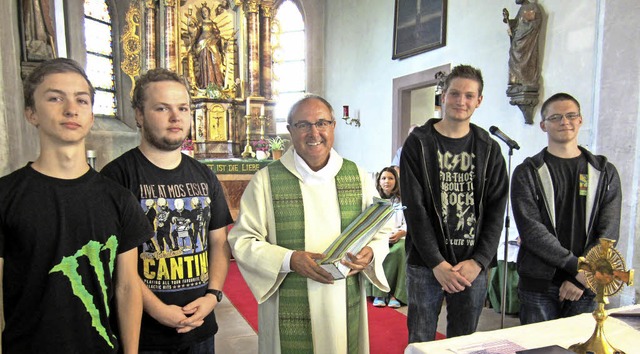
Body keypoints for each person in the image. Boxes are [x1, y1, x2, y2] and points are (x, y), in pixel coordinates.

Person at [0, 58, 152, 353]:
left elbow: (127, 287)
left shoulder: (119, 199)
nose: (71, 109)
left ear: (91, 115)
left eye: (81, 100)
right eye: (55, 98)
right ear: (31, 113)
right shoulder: (6, 195)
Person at [228, 94, 390, 353]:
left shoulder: (357, 176)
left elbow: (380, 229)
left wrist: (370, 254)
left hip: (343, 297)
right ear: (290, 131)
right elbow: (242, 240)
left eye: (321, 123)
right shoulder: (266, 181)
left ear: (333, 126)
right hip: (288, 297)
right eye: (303, 125)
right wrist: (289, 260)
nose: (314, 132)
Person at [101, 68, 233, 353]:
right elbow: (113, 262)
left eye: (182, 108)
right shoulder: (117, 177)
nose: (176, 118)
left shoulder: (205, 175)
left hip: (199, 326)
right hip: (144, 332)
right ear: (139, 114)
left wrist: (212, 296)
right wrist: (158, 309)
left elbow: (219, 242)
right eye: (162, 108)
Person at [400, 64, 508, 342]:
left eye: (469, 96)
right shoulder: (419, 143)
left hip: (471, 264)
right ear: (443, 96)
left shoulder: (489, 148)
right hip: (426, 264)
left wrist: (480, 261)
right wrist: (437, 262)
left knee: (464, 342)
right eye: (455, 93)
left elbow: (497, 209)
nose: (462, 101)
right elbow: (415, 208)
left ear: (479, 101)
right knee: (421, 340)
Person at [511, 93, 622, 325]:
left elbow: (608, 232)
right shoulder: (528, 172)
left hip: (586, 285)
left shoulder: (604, 172)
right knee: (538, 349)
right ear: (543, 125)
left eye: (571, 115)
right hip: (539, 283)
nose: (565, 122)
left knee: (580, 348)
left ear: (580, 120)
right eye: (556, 117)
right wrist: (577, 267)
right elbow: (532, 231)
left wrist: (583, 278)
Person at [367, 166, 407, 309]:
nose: (387, 181)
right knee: (377, 251)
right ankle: (380, 294)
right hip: (378, 237)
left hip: (398, 236)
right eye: (384, 178)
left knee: (400, 250)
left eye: (390, 178)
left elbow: (408, 223)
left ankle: (395, 294)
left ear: (396, 181)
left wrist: (401, 233)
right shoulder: (373, 200)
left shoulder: (403, 199)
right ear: (379, 181)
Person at [503, 0, 542, 86]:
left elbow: (536, 22)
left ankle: (523, 78)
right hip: (518, 38)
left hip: (526, 41)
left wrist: (524, 24)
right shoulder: (521, 9)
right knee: (513, 53)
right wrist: (508, 20)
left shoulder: (533, 7)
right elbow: (517, 24)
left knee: (518, 53)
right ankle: (515, 79)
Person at [193, 4, 226, 89]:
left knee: (216, 61)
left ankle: (217, 83)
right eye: (203, 11)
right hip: (203, 43)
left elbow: (217, 33)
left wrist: (217, 38)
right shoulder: (200, 23)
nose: (204, 13)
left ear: (209, 12)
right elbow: (196, 34)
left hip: (212, 43)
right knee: (205, 62)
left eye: (206, 11)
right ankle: (206, 83)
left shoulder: (212, 24)